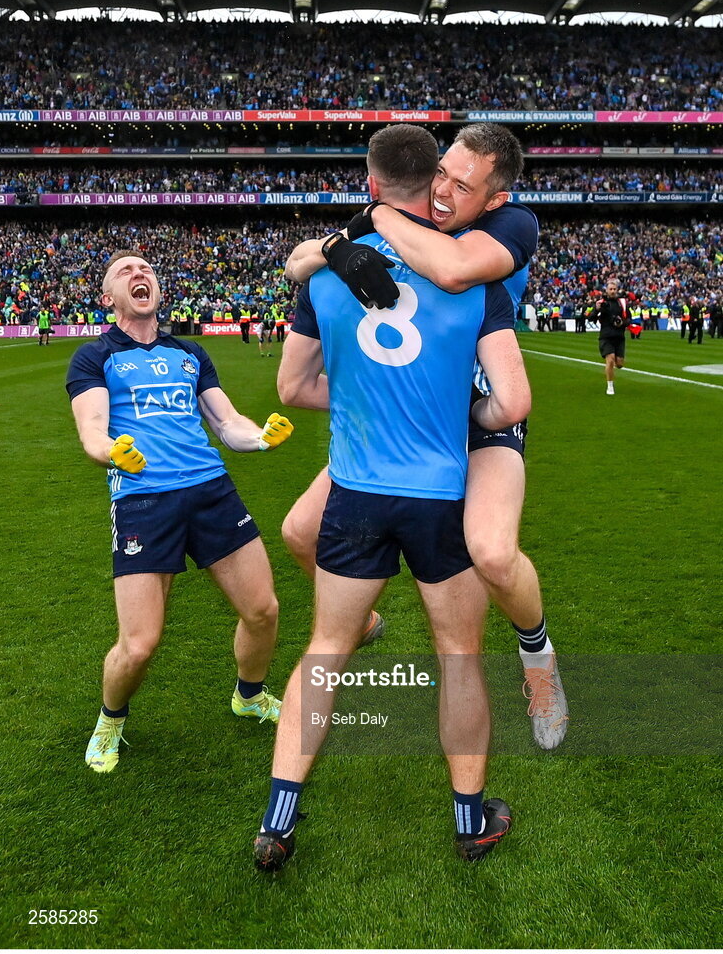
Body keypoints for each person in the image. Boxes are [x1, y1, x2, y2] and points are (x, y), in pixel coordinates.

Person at [255, 124, 531, 872]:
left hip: (357, 492)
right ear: (431, 181)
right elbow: (508, 403)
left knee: (325, 651)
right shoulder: (475, 280)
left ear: (371, 186)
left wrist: (359, 401)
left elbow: (291, 388)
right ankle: (470, 820)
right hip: (440, 494)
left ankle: (278, 820)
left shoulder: (324, 274)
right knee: (458, 658)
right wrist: (453, 413)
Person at [283, 123, 567, 751]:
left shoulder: (512, 226)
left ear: (494, 199)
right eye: (442, 172)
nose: (442, 191)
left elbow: (455, 269)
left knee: (491, 552)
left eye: (462, 186)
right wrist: (332, 250)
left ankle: (537, 655)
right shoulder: (406, 216)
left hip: (480, 409)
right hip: (406, 416)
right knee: (300, 532)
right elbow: (297, 261)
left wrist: (373, 221)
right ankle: (363, 620)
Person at [66, 250, 294, 774]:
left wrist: (259, 438)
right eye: (125, 271)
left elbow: (227, 422)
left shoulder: (190, 353)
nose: (139, 274)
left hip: (212, 491)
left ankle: (250, 695)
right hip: (144, 501)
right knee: (141, 643)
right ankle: (111, 718)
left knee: (264, 612)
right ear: (108, 298)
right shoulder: (94, 357)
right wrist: (111, 451)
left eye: (145, 269)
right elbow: (92, 431)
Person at [595, 278, 629, 395]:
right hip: (606, 336)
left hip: (619, 337)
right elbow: (591, 317)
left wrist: (622, 323)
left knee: (619, 363)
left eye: (614, 289)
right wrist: (596, 309)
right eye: (611, 289)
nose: (613, 291)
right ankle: (610, 386)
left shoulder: (622, 303)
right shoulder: (602, 303)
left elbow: (628, 319)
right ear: (607, 290)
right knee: (610, 360)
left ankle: (613, 365)